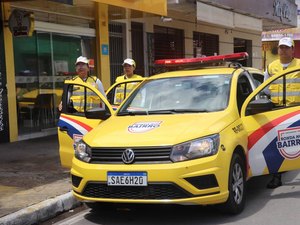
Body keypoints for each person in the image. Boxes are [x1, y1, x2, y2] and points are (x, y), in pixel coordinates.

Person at [264, 37, 300, 189]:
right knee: (278, 144)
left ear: (293, 50)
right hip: (277, 111)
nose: (283, 50)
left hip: (296, 110)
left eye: (286, 47)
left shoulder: (299, 65)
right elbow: (265, 87)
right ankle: (276, 177)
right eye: (281, 47)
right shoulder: (272, 67)